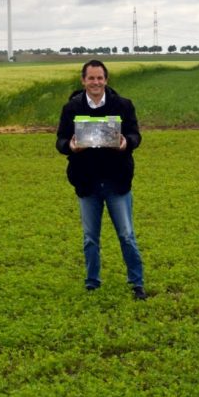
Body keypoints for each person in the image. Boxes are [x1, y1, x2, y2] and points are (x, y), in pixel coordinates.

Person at [55, 60, 146, 299]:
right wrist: (71, 146)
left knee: (126, 234)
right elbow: (60, 141)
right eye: (91, 78)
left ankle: (136, 283)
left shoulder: (123, 105)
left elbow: (136, 134)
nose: (95, 83)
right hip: (87, 182)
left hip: (117, 181)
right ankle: (92, 282)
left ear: (106, 80)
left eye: (100, 78)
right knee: (90, 238)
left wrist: (127, 143)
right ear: (83, 81)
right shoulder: (71, 108)